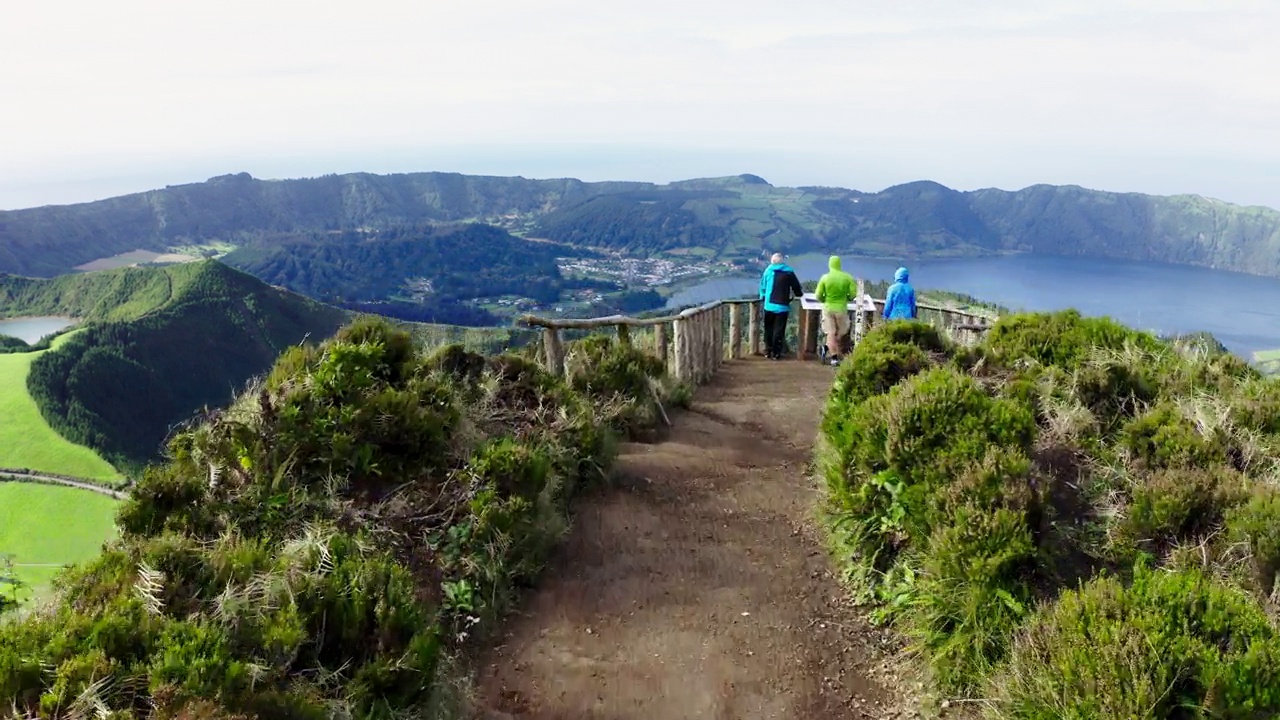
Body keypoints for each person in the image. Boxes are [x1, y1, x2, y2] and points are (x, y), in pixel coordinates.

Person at [758, 252, 803, 359]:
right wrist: (798, 294)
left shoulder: (768, 271)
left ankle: (767, 351)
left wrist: (762, 296)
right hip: (782, 307)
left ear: (772, 261)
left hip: (769, 306)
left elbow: (762, 287)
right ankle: (776, 353)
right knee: (778, 330)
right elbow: (796, 287)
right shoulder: (789, 272)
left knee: (768, 329)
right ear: (782, 261)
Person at [815, 255, 855, 365]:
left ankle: (831, 353)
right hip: (841, 308)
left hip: (828, 308)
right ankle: (833, 354)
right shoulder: (847, 277)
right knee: (841, 332)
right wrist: (846, 298)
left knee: (831, 332)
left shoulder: (825, 278)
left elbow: (818, 295)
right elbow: (853, 294)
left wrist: (825, 300)